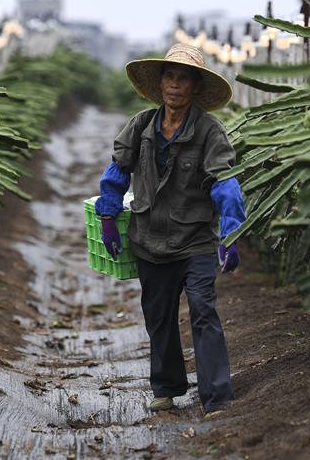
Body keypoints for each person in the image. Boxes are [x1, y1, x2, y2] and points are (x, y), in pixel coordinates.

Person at [94, 43, 246, 414]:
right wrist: (108, 217)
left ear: (194, 86)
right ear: (161, 83)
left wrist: (232, 232)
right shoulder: (142, 125)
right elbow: (116, 172)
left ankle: (216, 395)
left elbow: (225, 182)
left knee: (203, 310)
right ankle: (167, 386)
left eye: (183, 78)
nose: (175, 85)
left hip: (195, 241)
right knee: (158, 318)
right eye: (170, 77)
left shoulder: (210, 132)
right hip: (149, 241)